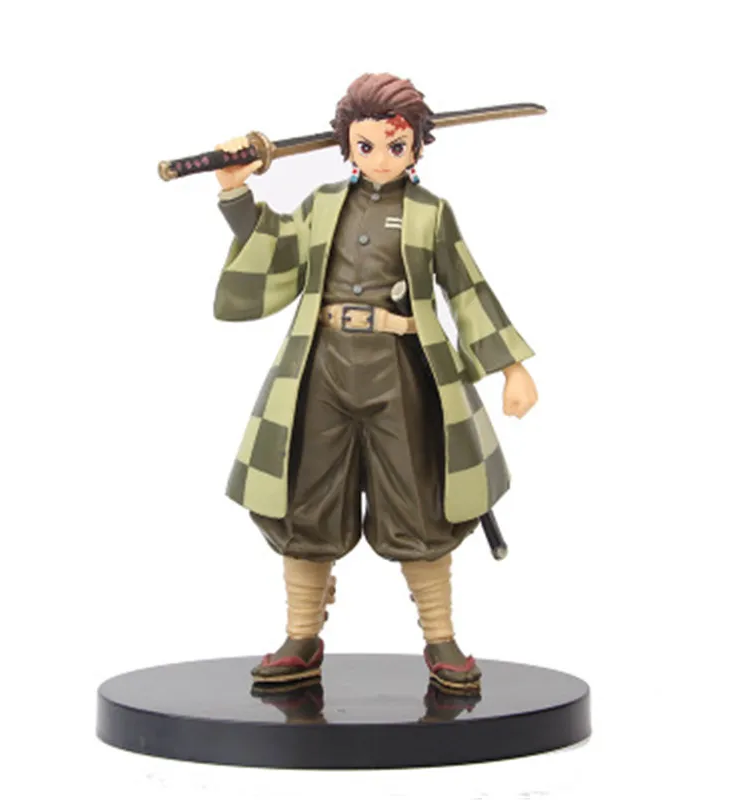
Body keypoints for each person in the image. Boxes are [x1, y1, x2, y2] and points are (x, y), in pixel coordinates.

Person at [213, 73, 538, 692]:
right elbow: (277, 249)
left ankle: (440, 638)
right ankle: (301, 636)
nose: (381, 157)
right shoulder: (321, 205)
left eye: (396, 145)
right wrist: (236, 192)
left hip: (403, 376)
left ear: (416, 146)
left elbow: (467, 287)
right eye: (366, 145)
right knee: (304, 499)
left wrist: (510, 366)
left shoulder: (429, 213)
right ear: (347, 146)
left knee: (421, 501)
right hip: (321, 371)